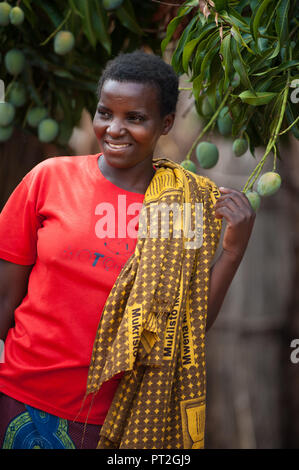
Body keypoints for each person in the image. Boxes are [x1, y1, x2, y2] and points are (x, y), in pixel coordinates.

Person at [0, 51, 255, 449]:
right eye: (106, 113)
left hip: (122, 417)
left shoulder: (181, 205)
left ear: (165, 123)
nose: (114, 129)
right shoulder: (48, 180)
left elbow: (187, 327)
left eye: (134, 118)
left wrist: (233, 252)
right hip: (21, 399)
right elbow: (5, 297)